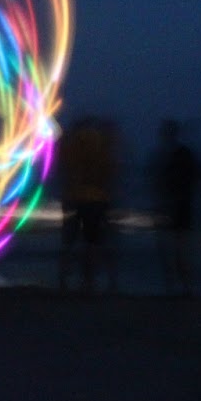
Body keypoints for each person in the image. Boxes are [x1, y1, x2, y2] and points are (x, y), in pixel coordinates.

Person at [55, 116, 118, 293]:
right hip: (97, 199)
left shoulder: (70, 144)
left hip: (72, 198)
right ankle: (88, 281)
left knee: (69, 242)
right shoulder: (100, 142)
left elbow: (62, 168)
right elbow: (108, 170)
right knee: (92, 242)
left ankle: (63, 280)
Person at [151, 118, 201, 296]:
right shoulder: (182, 154)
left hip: (174, 206)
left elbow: (160, 181)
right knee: (178, 249)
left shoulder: (168, 155)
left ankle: (178, 287)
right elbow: (198, 176)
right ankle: (183, 287)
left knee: (172, 249)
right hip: (181, 206)